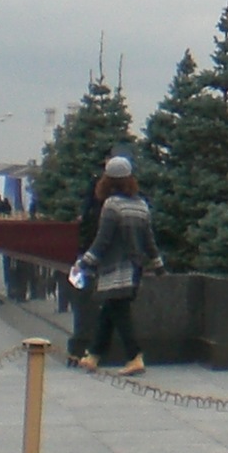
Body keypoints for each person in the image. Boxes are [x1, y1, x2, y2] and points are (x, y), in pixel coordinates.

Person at [72, 158, 163, 374]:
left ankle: (134, 356)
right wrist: (157, 263)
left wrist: (83, 263)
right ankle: (93, 355)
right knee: (110, 310)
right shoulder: (141, 205)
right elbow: (149, 239)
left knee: (120, 313)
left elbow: (103, 241)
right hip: (135, 269)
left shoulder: (112, 205)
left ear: (107, 180)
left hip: (114, 268)